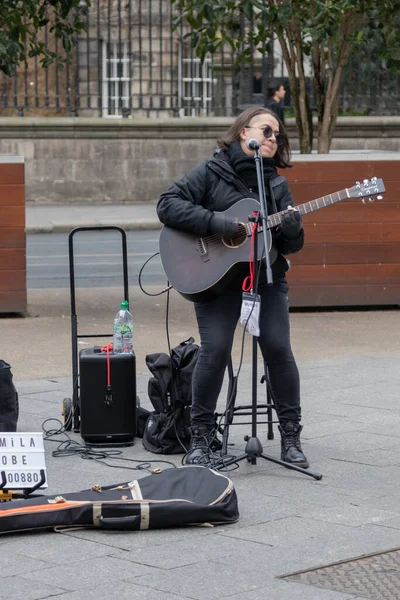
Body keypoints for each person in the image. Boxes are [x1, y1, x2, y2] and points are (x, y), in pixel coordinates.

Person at [156, 107, 308, 469]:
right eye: (267, 131)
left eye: (278, 135)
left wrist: (291, 227)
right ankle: (201, 439)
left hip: (265, 278)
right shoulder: (211, 172)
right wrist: (219, 223)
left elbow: (291, 246)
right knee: (216, 349)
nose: (274, 138)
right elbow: (167, 204)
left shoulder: (275, 183)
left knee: (278, 347)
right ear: (244, 132)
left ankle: (291, 436)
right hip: (214, 282)